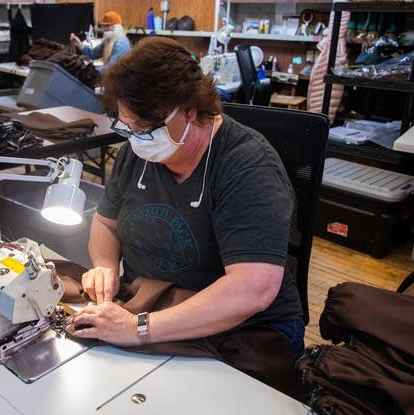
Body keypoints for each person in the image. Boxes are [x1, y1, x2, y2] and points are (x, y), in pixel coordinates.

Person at [71, 37, 304, 393]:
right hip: (149, 304)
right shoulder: (140, 153)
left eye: (145, 128)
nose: (135, 138)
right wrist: (104, 265)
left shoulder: (247, 165)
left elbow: (252, 290)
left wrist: (139, 329)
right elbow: (105, 222)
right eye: (126, 126)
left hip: (240, 328)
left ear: (189, 110)